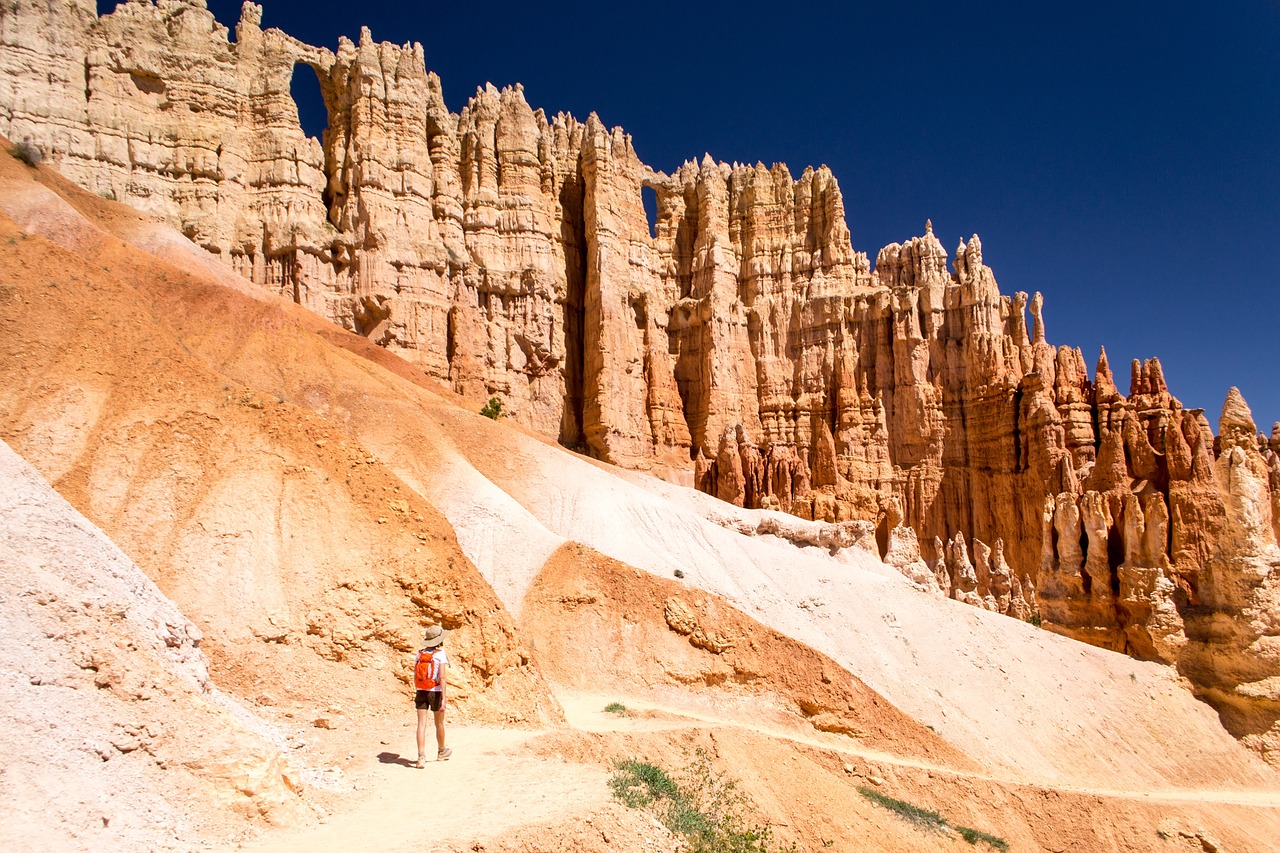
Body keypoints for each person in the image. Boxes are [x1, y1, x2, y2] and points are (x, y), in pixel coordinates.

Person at [413, 625, 452, 767]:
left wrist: (418, 688)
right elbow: (442, 677)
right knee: (439, 723)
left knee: (421, 725)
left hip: (421, 690)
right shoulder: (440, 654)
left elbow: (414, 675)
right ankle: (441, 751)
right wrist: (444, 699)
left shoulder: (419, 654)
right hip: (435, 692)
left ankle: (421, 757)